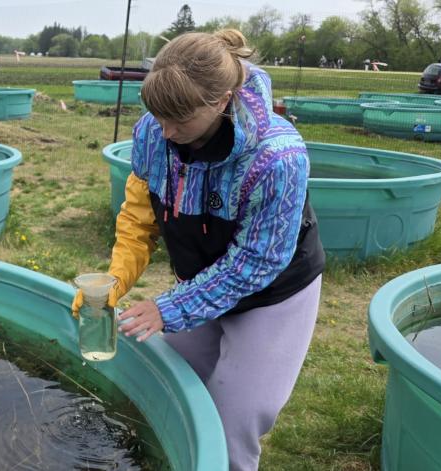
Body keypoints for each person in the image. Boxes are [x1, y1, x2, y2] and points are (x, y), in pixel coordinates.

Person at [72, 28, 325, 470]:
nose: (166, 132)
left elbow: (257, 260)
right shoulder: (156, 131)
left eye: (179, 121)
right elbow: (138, 219)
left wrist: (169, 309)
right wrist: (115, 281)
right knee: (172, 384)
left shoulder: (278, 158)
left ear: (222, 101)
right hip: (200, 282)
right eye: (158, 117)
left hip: (272, 292)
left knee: (233, 417)